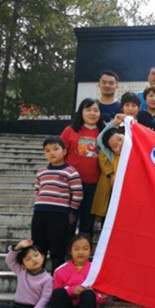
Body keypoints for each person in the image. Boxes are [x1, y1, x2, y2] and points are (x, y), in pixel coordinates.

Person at [48, 234, 108, 308]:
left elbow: (103, 296)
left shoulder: (96, 270)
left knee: (88, 294)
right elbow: (55, 295)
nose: (81, 252)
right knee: (59, 292)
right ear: (70, 251)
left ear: (91, 251)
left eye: (85, 248)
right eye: (76, 249)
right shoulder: (60, 271)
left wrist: (90, 292)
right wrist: (71, 290)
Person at [32, 137, 83, 270]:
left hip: (59, 215)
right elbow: (38, 190)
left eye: (55, 149)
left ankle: (57, 278)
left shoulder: (71, 172)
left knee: (57, 248)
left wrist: (71, 211)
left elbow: (77, 194)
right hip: (39, 214)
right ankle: (38, 278)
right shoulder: (41, 172)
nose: (52, 153)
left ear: (64, 151)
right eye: (47, 150)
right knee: (38, 248)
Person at [91, 93, 140, 223]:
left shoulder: (138, 147)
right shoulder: (114, 157)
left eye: (120, 139)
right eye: (114, 146)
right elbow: (100, 140)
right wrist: (114, 123)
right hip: (118, 194)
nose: (120, 145)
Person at [60, 98, 104, 237]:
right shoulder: (70, 131)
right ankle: (67, 248)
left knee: (87, 223)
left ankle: (85, 249)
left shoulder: (104, 133)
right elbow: (59, 153)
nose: (92, 113)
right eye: (88, 110)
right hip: (70, 185)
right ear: (81, 112)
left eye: (95, 110)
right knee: (68, 222)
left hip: (93, 185)